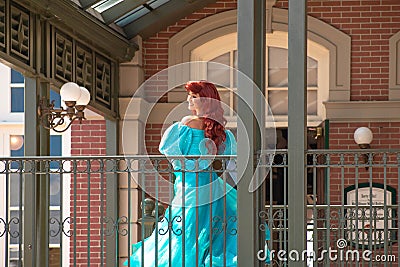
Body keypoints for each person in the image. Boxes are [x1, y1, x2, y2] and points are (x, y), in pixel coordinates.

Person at [124, 81, 270, 266]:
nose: (189, 100)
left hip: (191, 188)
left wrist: (185, 167)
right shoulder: (220, 131)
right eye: (189, 96)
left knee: (184, 235)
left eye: (194, 97)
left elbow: (168, 151)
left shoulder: (187, 124)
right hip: (213, 188)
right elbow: (235, 162)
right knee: (211, 233)